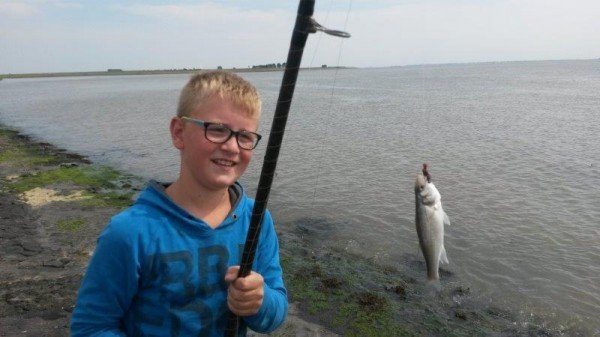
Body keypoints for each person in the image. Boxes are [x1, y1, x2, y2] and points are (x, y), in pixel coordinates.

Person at [71, 71, 288, 336]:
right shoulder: (129, 232)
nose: (232, 147)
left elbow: (275, 314)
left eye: (245, 137)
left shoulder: (257, 219)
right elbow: (91, 327)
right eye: (217, 129)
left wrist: (259, 301)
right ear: (178, 133)